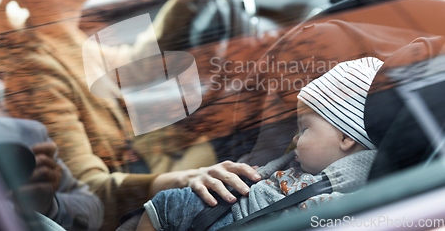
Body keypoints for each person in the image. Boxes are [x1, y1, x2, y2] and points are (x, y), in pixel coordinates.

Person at [0, 0, 261, 230]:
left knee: (251, 120)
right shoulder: (36, 73)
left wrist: (184, 0)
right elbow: (88, 189)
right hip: (129, 210)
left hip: (151, 164)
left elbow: (132, 67)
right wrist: (185, 178)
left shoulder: (67, 41)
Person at [137, 57, 382, 231]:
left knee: (166, 204)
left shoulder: (352, 190)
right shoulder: (299, 162)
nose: (294, 139)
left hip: (247, 216)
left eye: (304, 129)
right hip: (235, 205)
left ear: (347, 138)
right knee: (165, 204)